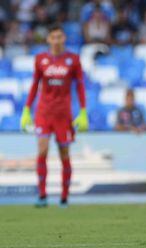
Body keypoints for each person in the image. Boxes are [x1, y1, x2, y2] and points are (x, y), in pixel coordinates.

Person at [20, 24, 89, 208]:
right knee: (42, 150)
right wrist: (27, 109)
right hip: (43, 112)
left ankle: (64, 198)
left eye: (60, 36)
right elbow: (35, 84)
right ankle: (42, 196)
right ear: (48, 39)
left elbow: (80, 86)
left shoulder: (73, 60)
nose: (57, 40)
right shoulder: (41, 59)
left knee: (64, 154)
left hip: (63, 114)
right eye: (53, 37)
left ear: (64, 38)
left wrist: (83, 110)